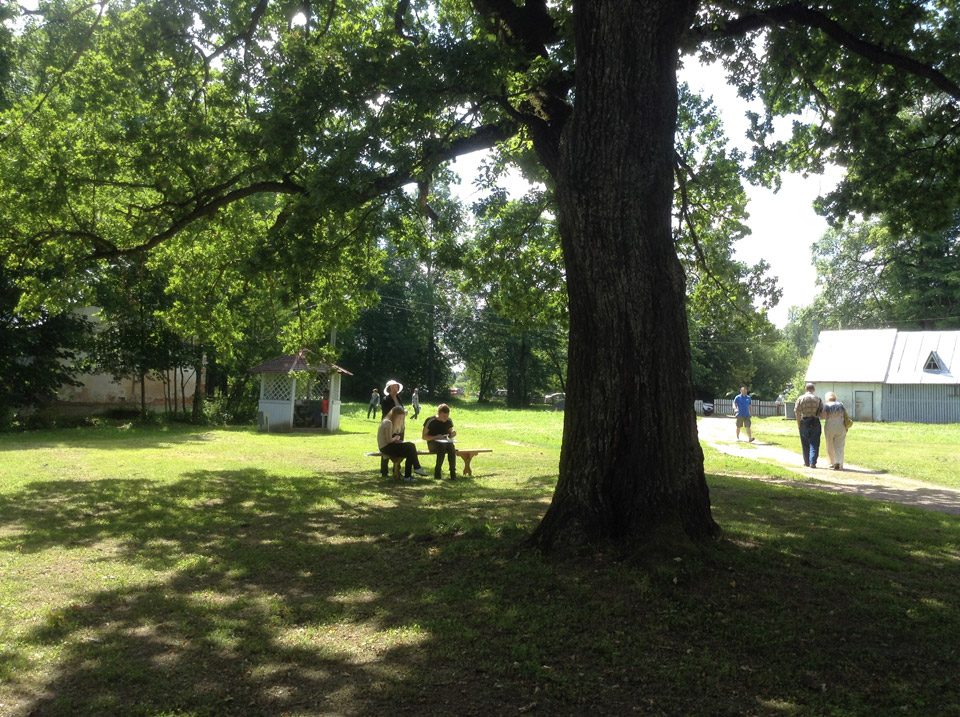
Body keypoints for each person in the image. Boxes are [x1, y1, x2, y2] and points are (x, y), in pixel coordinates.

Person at [378, 406, 427, 481]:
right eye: (399, 418)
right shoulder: (388, 422)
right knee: (411, 446)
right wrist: (395, 438)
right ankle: (416, 468)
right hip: (385, 447)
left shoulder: (390, 422)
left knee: (410, 452)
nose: (400, 420)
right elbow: (388, 440)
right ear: (394, 416)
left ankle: (408, 476)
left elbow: (390, 439)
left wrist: (396, 440)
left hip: (388, 446)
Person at [422, 403, 458, 480]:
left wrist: (453, 434)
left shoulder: (448, 421)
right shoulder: (430, 421)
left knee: (451, 447)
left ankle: (453, 472)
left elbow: (450, 434)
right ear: (438, 414)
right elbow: (424, 437)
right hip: (432, 443)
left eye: (447, 416)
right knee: (442, 446)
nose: (446, 418)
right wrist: (435, 437)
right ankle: (437, 471)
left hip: (444, 442)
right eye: (444, 416)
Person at [794, 383, 824, 468]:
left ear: (806, 389)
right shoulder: (818, 399)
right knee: (814, 442)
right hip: (815, 420)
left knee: (805, 442)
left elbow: (797, 412)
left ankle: (806, 462)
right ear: (813, 390)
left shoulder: (800, 398)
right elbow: (820, 412)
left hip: (805, 420)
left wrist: (799, 423)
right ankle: (813, 462)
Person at [380, 380, 404, 478]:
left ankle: (397, 469)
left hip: (399, 425)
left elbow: (401, 409)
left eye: (396, 387)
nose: (395, 389)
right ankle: (384, 470)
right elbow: (388, 412)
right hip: (389, 425)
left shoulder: (399, 398)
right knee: (387, 445)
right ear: (389, 388)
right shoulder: (386, 399)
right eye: (393, 387)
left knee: (399, 445)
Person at [820, 392, 851, 470]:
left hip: (830, 425)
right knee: (840, 445)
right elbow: (845, 416)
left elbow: (823, 416)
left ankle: (831, 463)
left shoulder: (827, 405)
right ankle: (839, 462)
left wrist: (819, 413)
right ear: (835, 398)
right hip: (841, 425)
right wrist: (846, 427)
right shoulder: (840, 404)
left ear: (827, 398)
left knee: (829, 444)